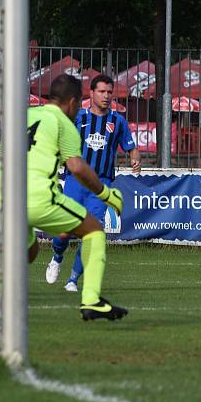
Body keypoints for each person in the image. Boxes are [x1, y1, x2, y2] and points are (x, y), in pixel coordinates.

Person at [0, 74, 127, 324]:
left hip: (3, 201)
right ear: (73, 102)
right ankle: (91, 300)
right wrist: (106, 194)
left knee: (26, 254)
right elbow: (76, 166)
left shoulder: (24, 117)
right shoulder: (65, 124)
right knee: (95, 231)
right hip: (38, 199)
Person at [44, 74, 139, 292]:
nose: (106, 96)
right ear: (92, 93)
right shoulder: (78, 117)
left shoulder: (118, 121)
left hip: (101, 185)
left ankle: (73, 280)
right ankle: (57, 257)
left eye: (109, 92)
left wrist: (135, 158)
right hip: (75, 181)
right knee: (65, 232)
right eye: (102, 92)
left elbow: (131, 146)